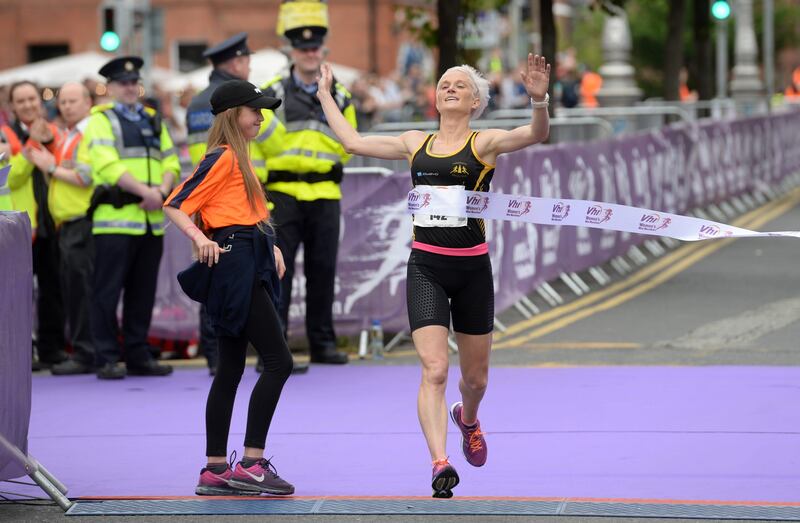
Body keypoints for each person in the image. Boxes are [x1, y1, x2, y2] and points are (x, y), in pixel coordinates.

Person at [317, 53, 551, 497]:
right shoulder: (413, 142)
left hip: (472, 270)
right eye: (444, 82)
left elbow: (536, 134)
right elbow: (351, 141)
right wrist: (326, 95)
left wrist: (538, 100)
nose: (449, 88)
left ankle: (468, 419)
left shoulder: (484, 144)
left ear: (475, 101)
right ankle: (439, 463)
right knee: (434, 368)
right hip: (426, 266)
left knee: (475, 378)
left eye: (459, 85)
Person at [164, 79, 295, 496]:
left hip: (242, 259)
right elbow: (175, 202)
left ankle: (215, 469)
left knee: (231, 370)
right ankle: (253, 464)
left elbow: (242, 211)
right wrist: (199, 239)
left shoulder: (238, 156)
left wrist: (268, 246)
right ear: (231, 115)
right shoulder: (223, 156)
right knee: (278, 361)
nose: (260, 116)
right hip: (234, 265)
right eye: (253, 109)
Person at [253, 24, 355, 368]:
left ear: (322, 51)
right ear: (292, 52)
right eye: (303, 49)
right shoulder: (272, 92)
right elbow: (258, 137)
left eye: (315, 49)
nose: (310, 54)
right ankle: (274, 348)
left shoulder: (340, 95)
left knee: (323, 270)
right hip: (282, 194)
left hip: (325, 193)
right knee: (277, 270)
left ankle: (322, 344)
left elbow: (348, 144)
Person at [83, 56, 179, 379]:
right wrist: (146, 192)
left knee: (143, 293)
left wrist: (163, 189)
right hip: (115, 219)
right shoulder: (100, 120)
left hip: (150, 222)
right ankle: (107, 357)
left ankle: (138, 356)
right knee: (106, 292)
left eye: (133, 82)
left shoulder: (153, 120)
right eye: (121, 83)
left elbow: (171, 161)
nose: (128, 87)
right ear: (110, 87)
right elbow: (106, 164)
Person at [186, 32, 263, 376]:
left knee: (219, 286)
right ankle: (219, 357)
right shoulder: (227, 101)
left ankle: (219, 358)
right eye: (245, 60)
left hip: (217, 198)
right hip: (218, 201)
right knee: (218, 285)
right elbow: (206, 159)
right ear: (235, 62)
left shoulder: (199, 101)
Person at [25, 82, 96, 375]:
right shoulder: (70, 133)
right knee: (76, 291)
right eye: (62, 102)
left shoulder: (88, 133)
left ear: (88, 101)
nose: (65, 106)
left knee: (82, 292)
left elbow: (85, 177)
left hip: (81, 220)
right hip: (69, 223)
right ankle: (85, 351)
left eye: (72, 101)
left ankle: (86, 353)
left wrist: (51, 166)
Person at [2, 81, 67, 369]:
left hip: (51, 223)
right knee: (17, 295)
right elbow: (12, 176)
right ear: (11, 106)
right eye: (21, 101)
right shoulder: (6, 135)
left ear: (40, 102)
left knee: (53, 289)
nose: (28, 105)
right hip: (19, 228)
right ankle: (21, 355)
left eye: (31, 99)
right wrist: (33, 145)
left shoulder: (54, 132)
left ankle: (52, 349)